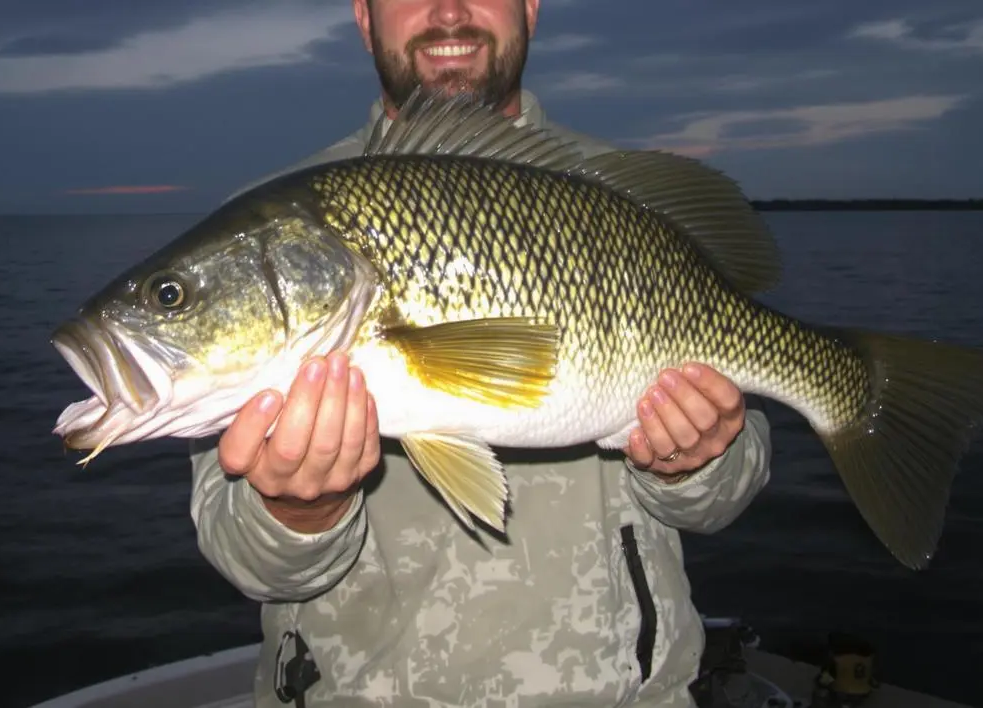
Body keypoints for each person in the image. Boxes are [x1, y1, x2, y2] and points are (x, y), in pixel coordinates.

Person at [189, 1, 772, 705]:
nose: (448, 10)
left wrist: (697, 461)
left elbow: (727, 495)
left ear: (531, 6)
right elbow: (246, 558)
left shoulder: (623, 193)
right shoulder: (269, 227)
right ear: (364, 17)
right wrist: (301, 511)